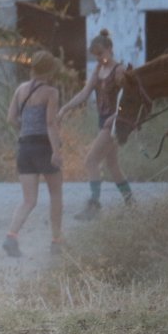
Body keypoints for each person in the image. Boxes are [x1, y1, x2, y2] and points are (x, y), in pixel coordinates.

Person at [58, 29, 132, 219]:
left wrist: (116, 116)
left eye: (101, 54)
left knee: (90, 160)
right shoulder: (99, 70)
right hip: (103, 119)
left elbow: (129, 99)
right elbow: (85, 93)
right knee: (112, 164)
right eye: (96, 55)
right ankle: (130, 202)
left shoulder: (119, 70)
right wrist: (65, 108)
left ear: (110, 49)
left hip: (114, 123)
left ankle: (94, 206)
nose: (99, 58)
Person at [3, 51, 65, 257]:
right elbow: (50, 123)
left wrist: (26, 128)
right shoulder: (51, 92)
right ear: (50, 71)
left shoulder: (20, 89)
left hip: (25, 147)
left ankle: (11, 236)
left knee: (29, 200)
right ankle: (56, 241)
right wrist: (56, 151)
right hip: (44, 146)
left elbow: (11, 118)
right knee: (56, 195)